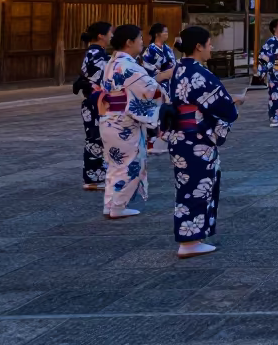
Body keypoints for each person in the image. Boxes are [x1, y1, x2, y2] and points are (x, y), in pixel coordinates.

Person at [162, 26, 241, 258]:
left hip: (179, 137)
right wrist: (234, 103)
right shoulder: (200, 74)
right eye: (209, 43)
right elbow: (223, 106)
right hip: (196, 139)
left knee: (187, 186)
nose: (211, 48)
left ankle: (192, 236)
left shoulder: (177, 70)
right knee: (198, 186)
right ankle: (189, 241)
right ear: (198, 46)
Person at [98, 24, 164, 219]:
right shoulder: (128, 66)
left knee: (114, 163)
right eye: (140, 39)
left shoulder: (111, 63)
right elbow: (152, 90)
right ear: (129, 42)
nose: (142, 42)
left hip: (109, 119)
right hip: (124, 122)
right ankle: (117, 206)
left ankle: (110, 203)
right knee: (129, 163)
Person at [76, 22, 112, 190]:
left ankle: (94, 175)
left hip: (93, 98)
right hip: (96, 99)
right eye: (110, 32)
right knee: (96, 137)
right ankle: (94, 177)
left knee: (96, 136)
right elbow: (103, 78)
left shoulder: (94, 52)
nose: (112, 35)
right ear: (101, 36)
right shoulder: (97, 54)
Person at [140, 23, 177, 155]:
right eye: (164, 32)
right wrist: (163, 75)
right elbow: (148, 69)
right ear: (157, 34)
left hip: (169, 84)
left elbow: (173, 64)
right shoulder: (150, 50)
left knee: (169, 111)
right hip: (157, 84)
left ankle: (165, 137)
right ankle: (153, 140)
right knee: (156, 112)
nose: (167, 34)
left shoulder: (167, 49)